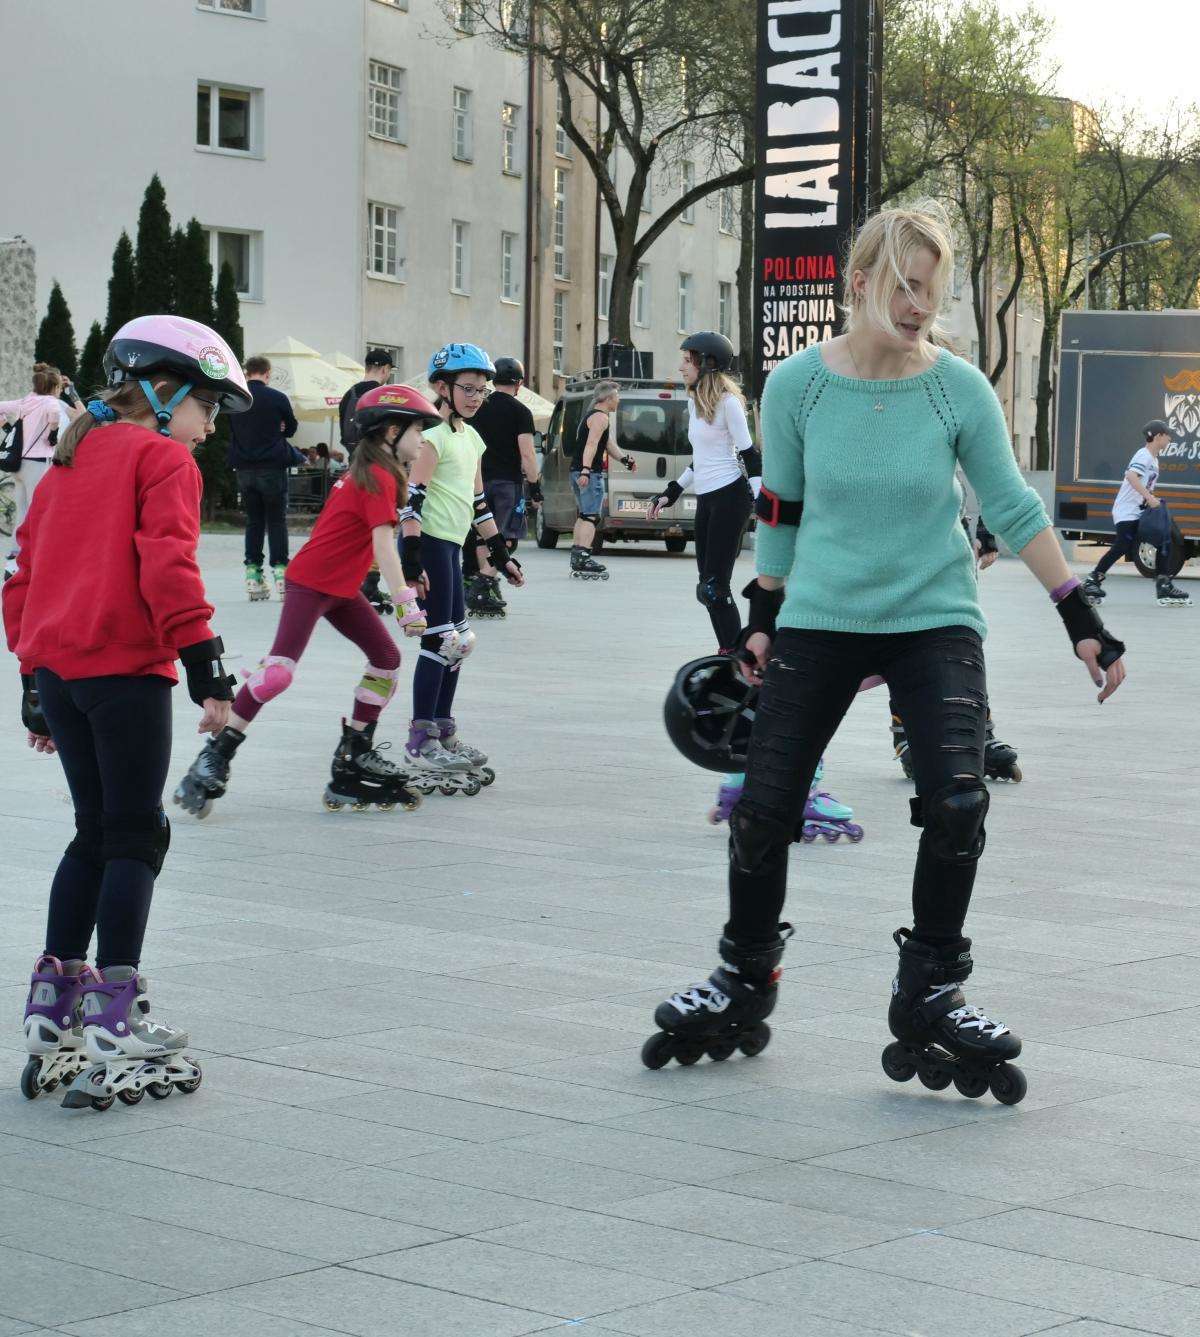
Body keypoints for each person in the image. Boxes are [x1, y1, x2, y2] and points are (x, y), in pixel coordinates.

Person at [644, 203, 1127, 1108]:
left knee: (956, 795)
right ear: (859, 281)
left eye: (932, 291)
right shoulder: (798, 387)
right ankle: (747, 976)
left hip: (933, 614)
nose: (917, 307)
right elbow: (779, 508)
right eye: (904, 286)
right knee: (766, 806)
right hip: (821, 617)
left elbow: (1011, 508)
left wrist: (1079, 611)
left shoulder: (955, 388)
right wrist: (763, 614)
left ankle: (931, 989)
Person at [5, 314, 246, 1110]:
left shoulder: (71, 458)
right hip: (125, 672)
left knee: (93, 830)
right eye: (209, 408)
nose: (209, 428)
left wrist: (34, 681)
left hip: (63, 675)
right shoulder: (161, 458)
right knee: (138, 834)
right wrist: (207, 666)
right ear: (165, 392)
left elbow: (22, 573)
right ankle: (115, 1017)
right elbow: (169, 567)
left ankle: (53, 1005)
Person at [174, 384, 439, 820]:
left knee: (386, 659)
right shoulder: (380, 475)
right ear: (392, 431)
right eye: (418, 430)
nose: (423, 439)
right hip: (310, 583)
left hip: (340, 588)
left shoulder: (374, 471)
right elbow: (383, 546)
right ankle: (214, 757)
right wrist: (407, 603)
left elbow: (371, 545)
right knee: (278, 674)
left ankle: (354, 754)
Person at [650, 334, 859, 839]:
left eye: (686, 358)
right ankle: (737, 650)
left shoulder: (728, 402)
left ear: (706, 363)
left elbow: (751, 456)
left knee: (720, 592)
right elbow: (704, 459)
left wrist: (770, 516)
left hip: (733, 499)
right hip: (713, 497)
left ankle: (736, 650)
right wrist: (672, 490)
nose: (680, 365)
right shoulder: (699, 404)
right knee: (710, 590)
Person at [398, 342, 524, 792]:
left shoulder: (471, 438)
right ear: (441, 387)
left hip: (453, 545)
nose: (475, 397)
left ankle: (443, 730)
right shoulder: (430, 438)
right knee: (439, 640)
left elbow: (478, 503)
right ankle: (420, 738)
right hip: (429, 545)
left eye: (482, 390)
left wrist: (501, 553)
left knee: (460, 642)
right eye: (467, 388)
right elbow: (411, 502)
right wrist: (411, 560)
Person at [891, 510, 1022, 783]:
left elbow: (985, 470)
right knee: (901, 636)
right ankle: (908, 737)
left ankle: (978, 733)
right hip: (891, 529)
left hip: (951, 531)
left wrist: (984, 532)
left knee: (963, 639)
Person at [462, 355, 541, 619]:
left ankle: (489, 584)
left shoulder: (477, 406)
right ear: (518, 383)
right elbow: (528, 455)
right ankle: (483, 584)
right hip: (507, 483)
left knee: (484, 534)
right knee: (507, 537)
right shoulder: (521, 412)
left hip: (477, 480)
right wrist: (535, 485)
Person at [1081, 420, 1190, 608]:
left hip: (1138, 511)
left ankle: (1164, 584)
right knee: (1123, 545)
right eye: (1167, 435)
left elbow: (1143, 482)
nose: (1170, 438)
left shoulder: (1153, 459)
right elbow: (1131, 476)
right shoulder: (1144, 455)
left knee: (1165, 536)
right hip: (1127, 511)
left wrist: (1150, 499)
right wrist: (1149, 496)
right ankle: (1092, 580)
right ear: (1158, 437)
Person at [228, 355, 300, 601]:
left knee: (254, 521)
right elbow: (290, 428)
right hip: (272, 467)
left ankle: (253, 575)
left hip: (245, 469)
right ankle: (281, 576)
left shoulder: (237, 397)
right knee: (276, 521)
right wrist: (278, 427)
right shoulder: (277, 398)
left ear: (247, 372)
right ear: (267, 374)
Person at [0, 364, 79, 576]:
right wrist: (52, 435)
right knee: (38, 507)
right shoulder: (51, 402)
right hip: (37, 463)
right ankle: (34, 552)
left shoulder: (27, 401)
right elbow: (55, 415)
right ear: (54, 387)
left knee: (22, 506)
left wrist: (6, 427)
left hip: (18, 464)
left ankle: (17, 550)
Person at [340, 349, 396, 612]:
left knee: (354, 526)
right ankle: (370, 583)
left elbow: (344, 434)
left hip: (353, 464)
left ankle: (354, 579)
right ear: (385, 369)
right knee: (378, 525)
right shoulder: (383, 397)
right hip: (376, 465)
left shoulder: (348, 395)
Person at [568, 380, 636, 579]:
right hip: (588, 473)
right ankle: (583, 557)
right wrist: (587, 470)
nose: (619, 400)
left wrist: (624, 459)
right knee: (591, 516)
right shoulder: (600, 418)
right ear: (607, 399)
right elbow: (591, 445)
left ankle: (577, 555)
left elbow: (607, 443)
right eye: (617, 396)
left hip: (577, 471)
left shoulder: (594, 416)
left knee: (583, 515)